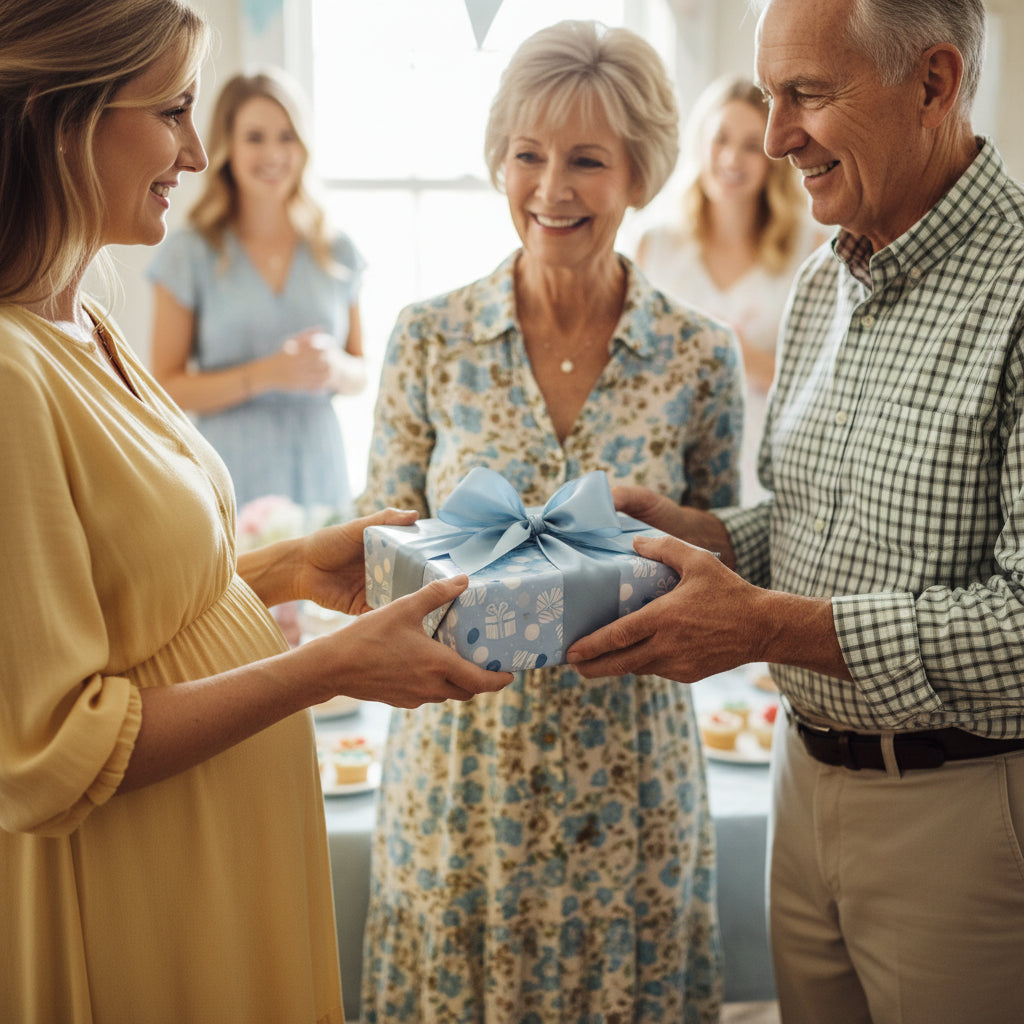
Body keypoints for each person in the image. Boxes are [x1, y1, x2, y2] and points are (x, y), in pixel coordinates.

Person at [0, 4, 511, 1022]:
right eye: (175, 111)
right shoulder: (9, 376)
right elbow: (52, 751)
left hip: (218, 861)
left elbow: (137, 602)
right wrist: (333, 662)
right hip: (142, 892)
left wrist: (286, 570)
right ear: (67, 121)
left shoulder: (82, 317)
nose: (196, 151)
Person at [568, 1, 1024, 1022]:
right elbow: (817, 524)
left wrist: (770, 625)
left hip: (959, 814)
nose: (774, 137)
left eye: (806, 95)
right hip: (798, 779)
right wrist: (705, 534)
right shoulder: (822, 280)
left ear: (935, 83)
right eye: (770, 95)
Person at [355, 20, 743, 1024]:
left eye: (586, 160)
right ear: (498, 161)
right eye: (527, 154)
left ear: (640, 173)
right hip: (461, 774)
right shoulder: (429, 338)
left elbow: (724, 550)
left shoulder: (698, 357)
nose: (550, 188)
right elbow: (372, 545)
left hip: (632, 777)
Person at [148, 67, 366, 517]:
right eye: (255, 137)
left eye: (287, 136)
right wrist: (268, 373)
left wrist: (332, 367)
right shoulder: (190, 253)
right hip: (230, 471)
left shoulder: (336, 249)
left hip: (320, 469)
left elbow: (361, 371)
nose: (274, 153)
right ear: (227, 145)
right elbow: (166, 386)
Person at [636, 75, 821, 502]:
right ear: (701, 143)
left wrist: (737, 354)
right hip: (669, 458)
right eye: (721, 139)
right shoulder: (656, 246)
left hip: (768, 468)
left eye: (752, 145)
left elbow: (822, 384)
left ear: (772, 156)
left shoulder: (808, 250)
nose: (732, 158)